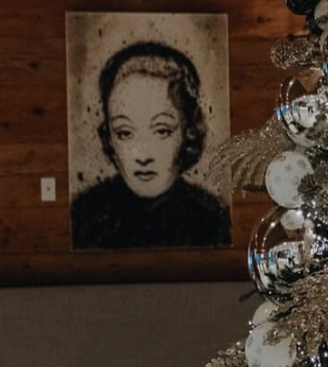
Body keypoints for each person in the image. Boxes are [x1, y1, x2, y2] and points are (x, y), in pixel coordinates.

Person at [71, 40, 231, 249]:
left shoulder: (213, 219)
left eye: (162, 131)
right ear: (109, 137)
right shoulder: (84, 216)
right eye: (125, 132)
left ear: (188, 133)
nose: (143, 155)